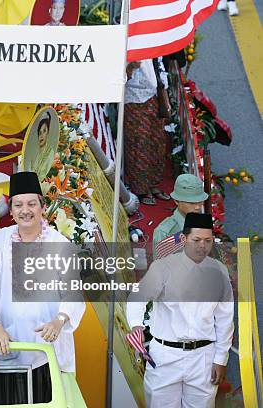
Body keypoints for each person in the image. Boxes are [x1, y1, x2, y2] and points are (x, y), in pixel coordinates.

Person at [0, 171, 85, 404]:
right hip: (7, 343)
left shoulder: (60, 245)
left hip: (47, 349)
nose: (25, 210)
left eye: (32, 203)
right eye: (18, 205)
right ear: (10, 211)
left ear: (42, 206)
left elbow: (73, 291)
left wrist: (60, 320)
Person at [126, 213, 234, 408]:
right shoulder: (163, 268)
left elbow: (225, 319)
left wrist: (221, 358)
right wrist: (136, 326)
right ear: (184, 239)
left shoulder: (219, 271)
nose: (202, 245)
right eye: (197, 240)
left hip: (203, 358)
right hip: (165, 356)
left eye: (208, 241)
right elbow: (137, 298)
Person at [123, 59, 169, 206]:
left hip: (154, 97)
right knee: (139, 143)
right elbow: (117, 78)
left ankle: (153, 184)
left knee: (157, 142)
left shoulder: (151, 40)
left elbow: (160, 69)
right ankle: (141, 189)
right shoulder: (125, 44)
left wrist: (165, 98)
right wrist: (130, 67)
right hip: (133, 100)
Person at [153, 173, 208, 257]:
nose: (197, 207)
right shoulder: (164, 232)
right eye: (191, 203)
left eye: (200, 201)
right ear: (176, 201)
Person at [25, 111, 55, 182]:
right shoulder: (32, 146)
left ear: (48, 133)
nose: (41, 135)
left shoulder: (49, 152)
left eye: (44, 131)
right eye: (40, 132)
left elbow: (42, 175)